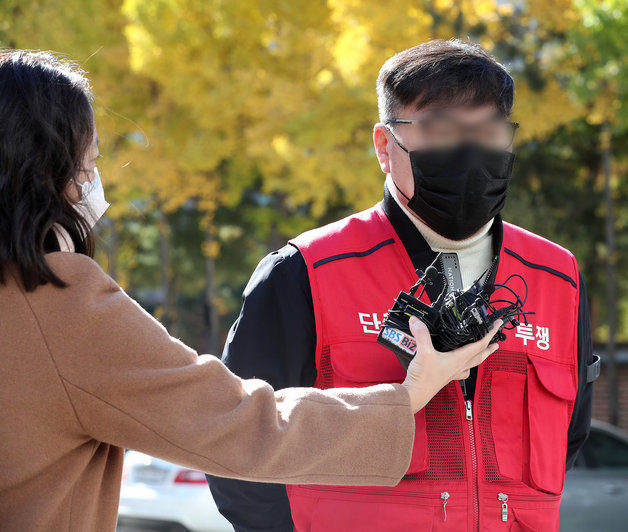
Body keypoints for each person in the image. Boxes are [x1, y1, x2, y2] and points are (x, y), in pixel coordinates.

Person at [0, 49, 501, 532]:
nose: (94, 182)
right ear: (44, 172)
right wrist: (408, 395)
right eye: (88, 164)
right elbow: (238, 425)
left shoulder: (554, 269)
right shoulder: (55, 303)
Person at [207, 39, 598, 531]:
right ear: (384, 146)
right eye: (439, 127)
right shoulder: (305, 272)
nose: (469, 147)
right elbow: (237, 444)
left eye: (490, 129)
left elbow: (569, 438)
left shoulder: (557, 277)